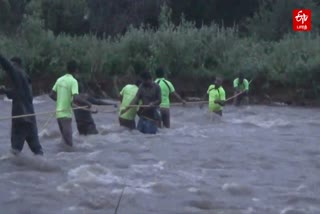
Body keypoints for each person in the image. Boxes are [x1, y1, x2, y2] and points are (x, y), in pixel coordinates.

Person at [0, 54, 43, 155]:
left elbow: (8, 66)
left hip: (21, 118)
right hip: (31, 118)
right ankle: (43, 169)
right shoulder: (26, 78)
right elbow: (18, 94)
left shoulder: (16, 72)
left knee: (15, 151)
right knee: (37, 150)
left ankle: (13, 170)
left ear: (15, 64)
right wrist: (5, 91)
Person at [49, 60, 92, 147]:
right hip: (66, 115)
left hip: (58, 115)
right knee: (69, 144)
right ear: (76, 70)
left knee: (64, 142)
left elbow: (51, 95)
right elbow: (76, 97)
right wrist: (88, 103)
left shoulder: (59, 79)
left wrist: (61, 101)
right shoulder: (73, 81)